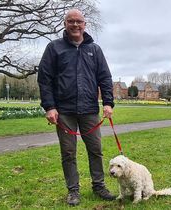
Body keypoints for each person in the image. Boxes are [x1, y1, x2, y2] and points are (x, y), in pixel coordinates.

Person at [37, 9, 116, 206]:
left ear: (84, 25)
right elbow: (44, 79)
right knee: (68, 153)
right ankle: (73, 191)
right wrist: (50, 107)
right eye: (71, 21)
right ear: (65, 24)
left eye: (78, 21)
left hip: (90, 110)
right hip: (64, 112)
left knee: (96, 150)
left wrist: (108, 102)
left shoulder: (94, 50)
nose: (75, 25)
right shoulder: (54, 48)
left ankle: (99, 186)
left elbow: (105, 78)